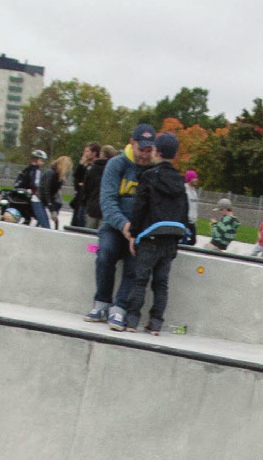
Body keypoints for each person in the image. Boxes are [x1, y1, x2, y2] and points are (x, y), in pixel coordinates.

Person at [109, 132, 193, 335]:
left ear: (156, 151)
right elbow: (184, 210)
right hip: (171, 238)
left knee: (140, 280)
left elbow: (140, 207)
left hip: (151, 236)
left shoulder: (149, 176)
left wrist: (134, 234)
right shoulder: (179, 181)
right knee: (161, 283)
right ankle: (155, 323)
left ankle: (132, 321)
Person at [87, 124, 155, 322]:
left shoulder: (153, 170)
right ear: (132, 143)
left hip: (141, 231)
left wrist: (138, 231)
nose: (144, 155)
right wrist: (125, 226)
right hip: (114, 226)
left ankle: (120, 306)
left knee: (135, 265)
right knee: (105, 253)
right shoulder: (116, 164)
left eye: (148, 151)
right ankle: (102, 302)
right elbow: (107, 202)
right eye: (141, 149)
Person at [71, 144, 105, 231]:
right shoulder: (87, 167)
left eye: (87, 151)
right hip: (81, 200)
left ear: (94, 153)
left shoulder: (96, 168)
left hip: (89, 203)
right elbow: (77, 179)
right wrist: (81, 165)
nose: (85, 154)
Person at [17, 150, 52, 226]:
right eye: (41, 160)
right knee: (40, 214)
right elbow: (36, 184)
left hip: (22, 194)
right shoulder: (36, 170)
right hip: (29, 195)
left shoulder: (27, 169)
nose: (42, 163)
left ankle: (27, 220)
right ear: (36, 160)